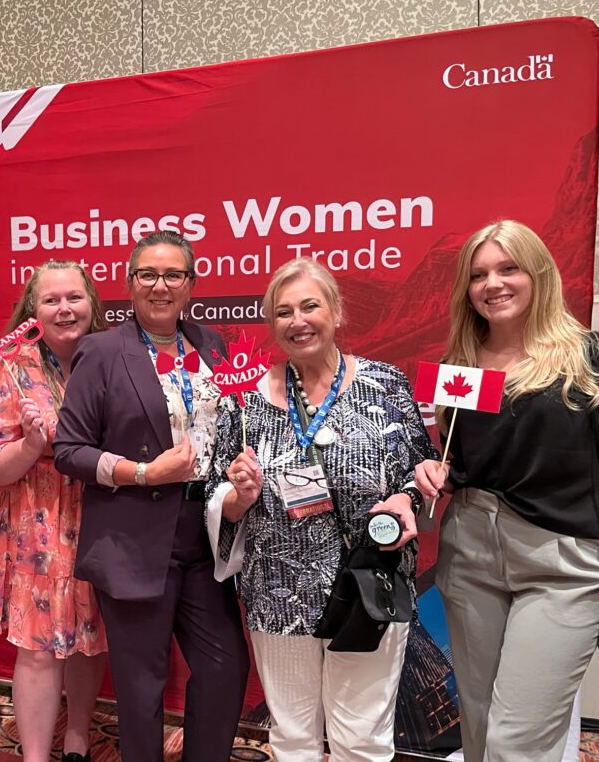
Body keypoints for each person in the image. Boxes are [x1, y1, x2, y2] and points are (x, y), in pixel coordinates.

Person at [208, 257, 435, 762]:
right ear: (272, 325)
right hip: (277, 593)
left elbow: (419, 472)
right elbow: (213, 493)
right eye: (283, 311)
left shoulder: (383, 383)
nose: (298, 320)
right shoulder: (245, 401)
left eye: (310, 305)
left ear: (336, 312)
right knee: (291, 737)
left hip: (368, 588)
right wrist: (238, 497)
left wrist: (405, 500)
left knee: (362, 738)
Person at [53, 231, 250, 762]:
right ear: (130, 283)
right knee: (142, 685)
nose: (160, 286)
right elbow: (69, 450)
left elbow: (230, 426)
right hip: (134, 538)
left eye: (173, 275)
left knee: (224, 666)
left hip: (206, 536)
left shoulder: (214, 346)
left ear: (191, 283)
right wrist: (143, 472)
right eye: (148, 275)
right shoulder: (101, 351)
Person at [414, 219, 599, 762]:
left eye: (508, 268)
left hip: (561, 567)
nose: (492, 283)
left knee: (518, 742)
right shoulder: (461, 366)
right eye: (478, 275)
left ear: (537, 271)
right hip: (471, 553)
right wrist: (438, 470)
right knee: (479, 728)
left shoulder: (587, 359)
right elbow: (461, 459)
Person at [0, 260, 109, 762]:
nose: (64, 308)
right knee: (39, 647)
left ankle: (77, 738)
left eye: (74, 297)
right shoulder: (8, 367)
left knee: (90, 636)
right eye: (51, 300)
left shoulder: (113, 359)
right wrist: (30, 446)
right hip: (34, 527)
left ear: (91, 302)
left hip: (101, 518)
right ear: (33, 309)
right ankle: (34, 756)